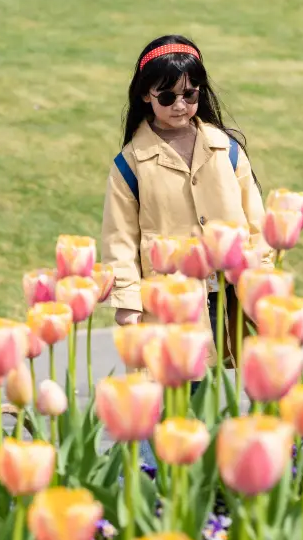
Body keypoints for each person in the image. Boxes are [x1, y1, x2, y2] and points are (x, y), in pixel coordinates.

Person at [101, 34, 271, 349]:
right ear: (145, 96)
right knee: (184, 384)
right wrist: (127, 300)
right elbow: (119, 238)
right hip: (170, 298)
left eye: (189, 95)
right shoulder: (130, 165)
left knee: (236, 378)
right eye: (166, 97)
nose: (179, 106)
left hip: (231, 290)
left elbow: (256, 220)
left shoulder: (227, 150)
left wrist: (262, 273)